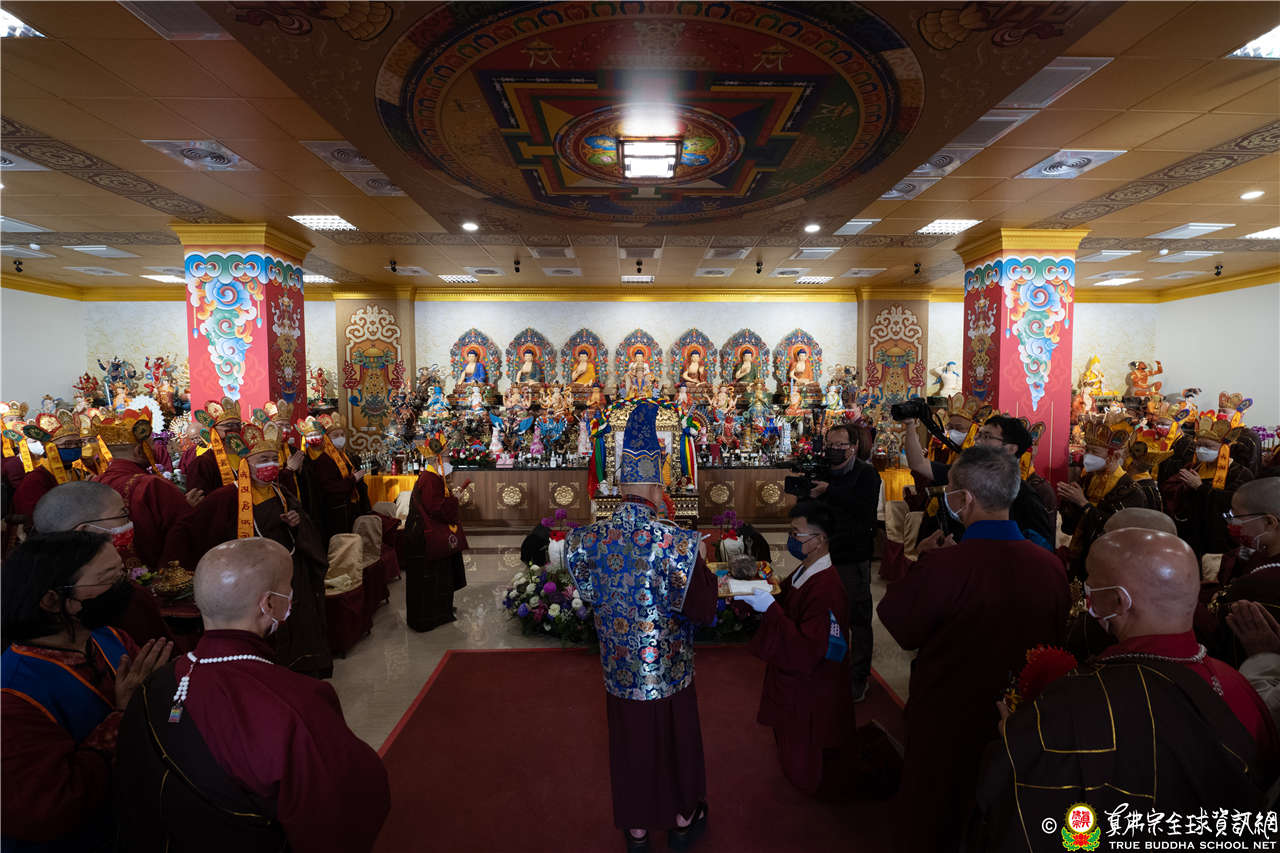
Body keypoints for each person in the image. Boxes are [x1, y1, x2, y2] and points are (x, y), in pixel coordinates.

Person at [968, 529, 1276, 850]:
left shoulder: (1075, 702)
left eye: (1090, 589)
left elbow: (1035, 812)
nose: (1086, 600)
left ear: (1119, 600)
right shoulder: (1241, 686)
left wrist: (1019, 739)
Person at [114, 538, 390, 851]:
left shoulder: (152, 687)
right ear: (268, 605)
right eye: (289, 586)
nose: (292, 595)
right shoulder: (296, 700)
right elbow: (347, 808)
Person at [877, 446, 1069, 853]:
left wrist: (919, 562)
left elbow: (900, 624)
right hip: (1019, 714)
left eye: (949, 490)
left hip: (947, 710)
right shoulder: (1050, 566)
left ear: (964, 498)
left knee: (939, 808)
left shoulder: (946, 564)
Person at [565, 401, 716, 851]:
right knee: (674, 739)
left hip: (620, 670)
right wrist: (702, 565)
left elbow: (588, 596)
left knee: (630, 743)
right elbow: (702, 609)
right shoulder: (677, 542)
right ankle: (682, 819)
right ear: (655, 484)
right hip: (668, 670)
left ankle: (636, 831)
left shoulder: (586, 540)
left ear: (619, 482)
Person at [2, 531, 173, 851]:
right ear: (52, 600)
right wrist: (122, 716)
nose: (124, 586)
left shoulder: (109, 637)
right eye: (109, 578)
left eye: (121, 573)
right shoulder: (13, 693)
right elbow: (45, 808)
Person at [162, 423, 332, 678]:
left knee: (297, 626)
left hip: (288, 573)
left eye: (274, 458)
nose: (271, 464)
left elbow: (306, 524)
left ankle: (300, 675)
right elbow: (189, 528)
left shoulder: (279, 491)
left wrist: (297, 524)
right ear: (245, 464)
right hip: (250, 582)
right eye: (263, 460)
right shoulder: (226, 497)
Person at [738, 502, 853, 796]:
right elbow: (786, 599)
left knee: (804, 744)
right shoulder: (806, 569)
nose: (791, 539)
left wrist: (770, 608)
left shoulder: (827, 587)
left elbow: (808, 648)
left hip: (812, 682)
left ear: (819, 539)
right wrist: (764, 593)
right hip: (793, 675)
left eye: (795, 534)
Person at [31, 481, 176, 647]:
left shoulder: (40, 579)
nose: (128, 522)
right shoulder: (103, 595)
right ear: (85, 531)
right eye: (122, 515)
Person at [807, 424, 881, 702]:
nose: (835, 450)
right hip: (823, 554)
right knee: (825, 613)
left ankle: (858, 676)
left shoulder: (866, 474)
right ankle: (828, 667)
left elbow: (864, 511)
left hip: (852, 555)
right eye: (831, 445)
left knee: (857, 618)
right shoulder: (822, 470)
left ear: (853, 447)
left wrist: (831, 491)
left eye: (840, 445)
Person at [92, 408, 201, 571]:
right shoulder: (152, 485)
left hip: (109, 572)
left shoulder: (96, 483)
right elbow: (183, 532)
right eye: (151, 444)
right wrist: (187, 508)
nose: (154, 449)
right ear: (139, 451)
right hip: (155, 575)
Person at [1058, 418, 1163, 578]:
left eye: (1094, 452)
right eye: (1087, 450)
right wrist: (1069, 500)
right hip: (1082, 555)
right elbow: (1072, 525)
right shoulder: (1089, 478)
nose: (1087, 456)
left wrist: (1083, 504)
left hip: (1111, 562)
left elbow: (1117, 529)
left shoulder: (1131, 490)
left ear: (1113, 456)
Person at [1199, 477, 1280, 666]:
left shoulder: (1260, 584)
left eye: (1237, 517)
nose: (1232, 523)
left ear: (1269, 522)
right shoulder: (1259, 553)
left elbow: (1214, 625)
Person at [398, 434, 469, 632]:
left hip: (425, 534)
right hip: (425, 537)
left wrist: (451, 497)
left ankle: (439, 611)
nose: (450, 460)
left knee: (439, 575)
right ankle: (429, 617)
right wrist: (454, 500)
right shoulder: (430, 479)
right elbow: (437, 509)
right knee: (430, 578)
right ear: (437, 459)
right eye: (447, 456)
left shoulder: (433, 477)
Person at [1162, 413, 1254, 556]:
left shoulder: (1240, 473)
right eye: (1198, 445)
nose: (1201, 449)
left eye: (1208, 446)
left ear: (1224, 448)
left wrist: (1200, 487)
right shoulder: (1194, 467)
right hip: (1192, 531)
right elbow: (1170, 489)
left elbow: (1234, 501)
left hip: (1219, 534)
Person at [297, 414, 369, 543]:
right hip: (333, 511)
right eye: (335, 435)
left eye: (342, 434)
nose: (340, 438)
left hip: (348, 506)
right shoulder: (323, 459)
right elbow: (331, 487)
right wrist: (353, 479)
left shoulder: (345, 455)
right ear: (327, 438)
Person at [13, 411, 94, 522]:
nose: (74, 447)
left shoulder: (78, 472)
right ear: (50, 447)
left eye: (78, 443)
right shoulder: (35, 479)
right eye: (68, 444)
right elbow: (35, 516)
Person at [185, 398, 244, 495]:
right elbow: (199, 500)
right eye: (229, 425)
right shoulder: (202, 463)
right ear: (214, 430)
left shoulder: (248, 456)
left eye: (238, 424)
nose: (235, 429)